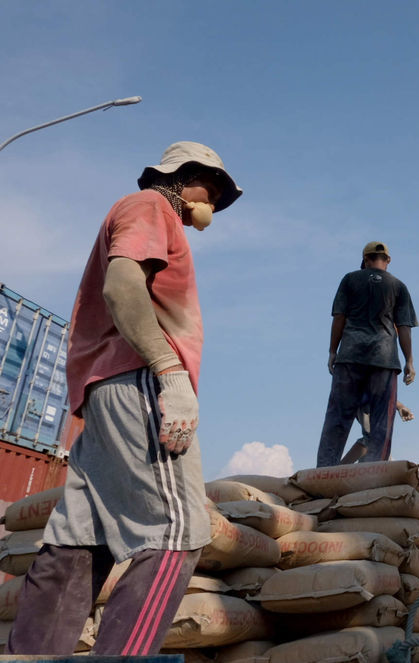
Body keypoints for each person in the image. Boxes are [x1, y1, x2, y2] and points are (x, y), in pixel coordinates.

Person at [8, 141, 242, 656]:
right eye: (214, 188)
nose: (216, 202)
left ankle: (30, 656)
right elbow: (122, 287)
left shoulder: (149, 214)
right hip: (139, 382)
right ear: (184, 178)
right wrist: (170, 373)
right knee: (177, 530)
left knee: (79, 537)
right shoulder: (151, 206)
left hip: (104, 391)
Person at [317, 241, 417, 466]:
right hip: (384, 360)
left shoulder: (350, 279)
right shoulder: (399, 286)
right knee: (381, 422)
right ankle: (374, 474)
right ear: (388, 261)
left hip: (350, 356)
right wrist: (409, 360)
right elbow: (404, 327)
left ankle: (324, 472)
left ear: (365, 260)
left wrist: (333, 351)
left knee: (338, 418)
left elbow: (339, 318)